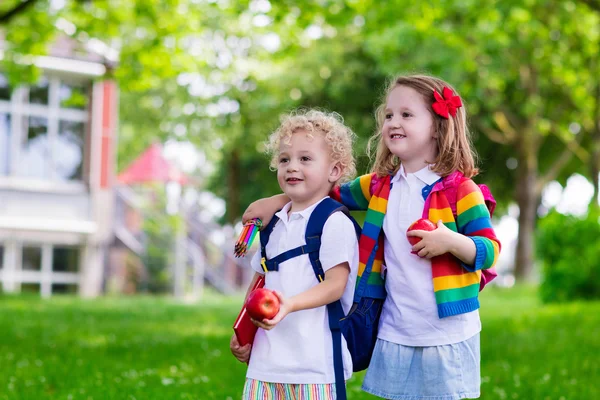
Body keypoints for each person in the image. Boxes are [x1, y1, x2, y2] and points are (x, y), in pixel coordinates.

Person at [243, 74, 501, 400]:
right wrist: (277, 201)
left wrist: (449, 241)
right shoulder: (380, 185)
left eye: (407, 114)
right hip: (396, 327)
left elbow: (489, 249)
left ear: (437, 126)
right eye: (389, 114)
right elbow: (325, 191)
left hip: (447, 330)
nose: (394, 121)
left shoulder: (460, 189)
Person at [230, 109, 360, 400]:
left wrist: (288, 305)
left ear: (334, 171)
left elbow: (335, 285)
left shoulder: (334, 222)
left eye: (305, 159)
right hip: (265, 364)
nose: (291, 167)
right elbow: (260, 280)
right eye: (285, 159)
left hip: (315, 365)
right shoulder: (273, 224)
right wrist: (243, 328)